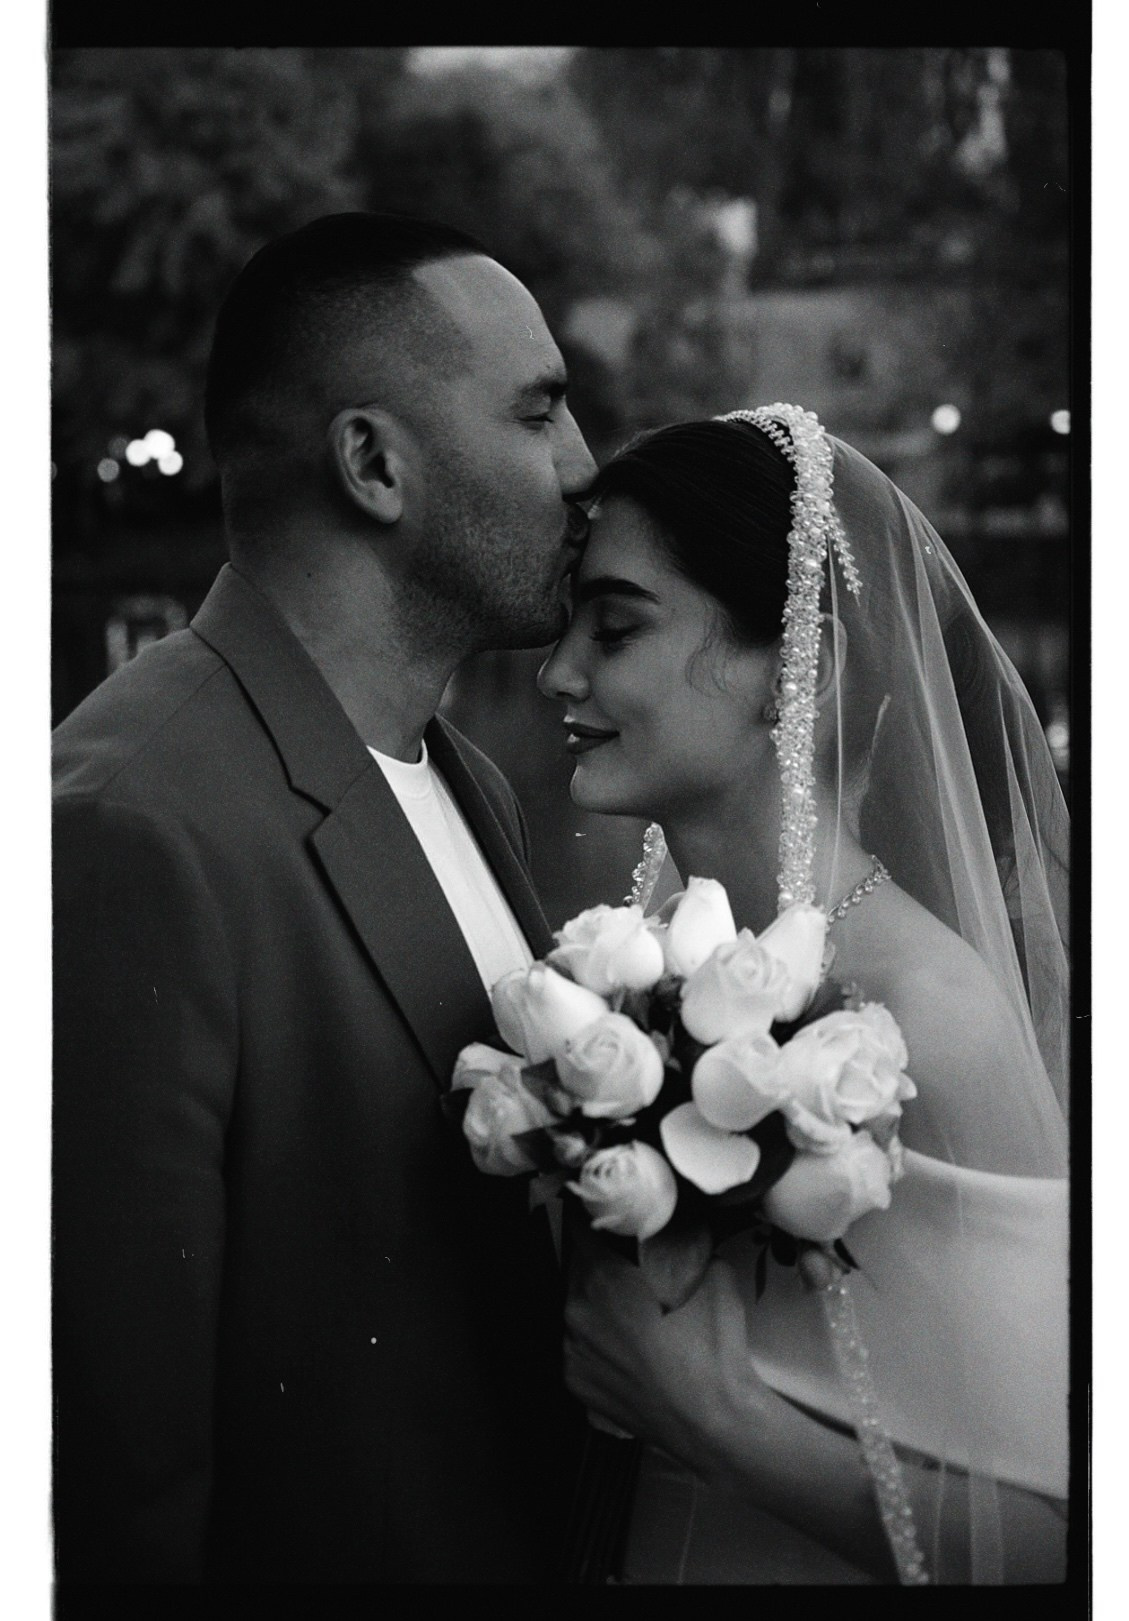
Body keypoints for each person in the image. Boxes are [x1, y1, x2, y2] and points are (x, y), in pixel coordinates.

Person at [51, 212, 599, 1584]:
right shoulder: (126, 825)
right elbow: (120, 1472)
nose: (583, 466)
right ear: (372, 464)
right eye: (538, 412)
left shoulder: (468, 775)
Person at [538, 406, 1070, 1584]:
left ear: (799, 668)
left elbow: (1056, 1542)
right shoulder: (629, 964)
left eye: (613, 627)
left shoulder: (931, 1017)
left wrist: (715, 1417)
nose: (557, 670)